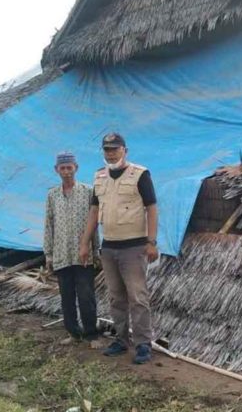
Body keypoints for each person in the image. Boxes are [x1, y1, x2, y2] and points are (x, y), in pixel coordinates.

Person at [80, 133, 159, 364]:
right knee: (116, 297)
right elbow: (94, 212)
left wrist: (151, 241)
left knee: (138, 296)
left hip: (134, 246)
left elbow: (152, 208)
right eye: (106, 149)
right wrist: (84, 242)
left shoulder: (140, 174)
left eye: (115, 149)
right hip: (109, 246)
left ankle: (143, 343)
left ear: (125, 150)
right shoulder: (99, 176)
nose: (110, 153)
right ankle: (121, 340)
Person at [43, 151, 99, 345]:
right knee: (66, 297)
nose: (66, 172)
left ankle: (91, 334)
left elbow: (94, 225)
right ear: (56, 170)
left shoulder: (89, 192)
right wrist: (48, 254)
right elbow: (49, 224)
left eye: (69, 167)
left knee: (86, 296)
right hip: (61, 254)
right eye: (62, 168)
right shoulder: (52, 195)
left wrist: (96, 250)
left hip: (83, 255)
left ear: (76, 168)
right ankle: (73, 333)